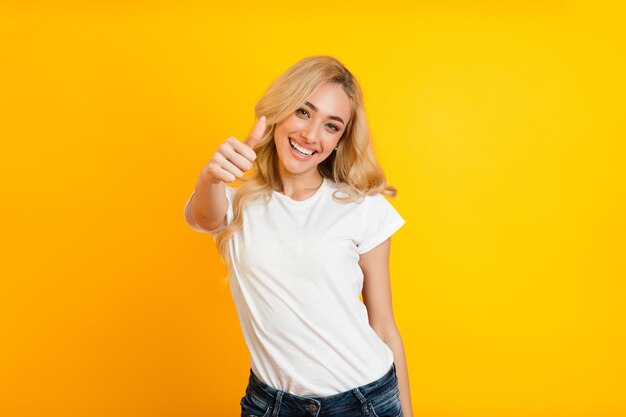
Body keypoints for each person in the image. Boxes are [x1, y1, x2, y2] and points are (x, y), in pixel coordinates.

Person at [184, 55, 413, 417]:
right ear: (280, 110)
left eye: (331, 126)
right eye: (303, 112)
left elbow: (383, 325)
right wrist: (210, 177)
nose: (311, 135)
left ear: (340, 140)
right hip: (271, 404)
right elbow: (203, 216)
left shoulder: (363, 208)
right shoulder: (236, 203)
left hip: (365, 400)